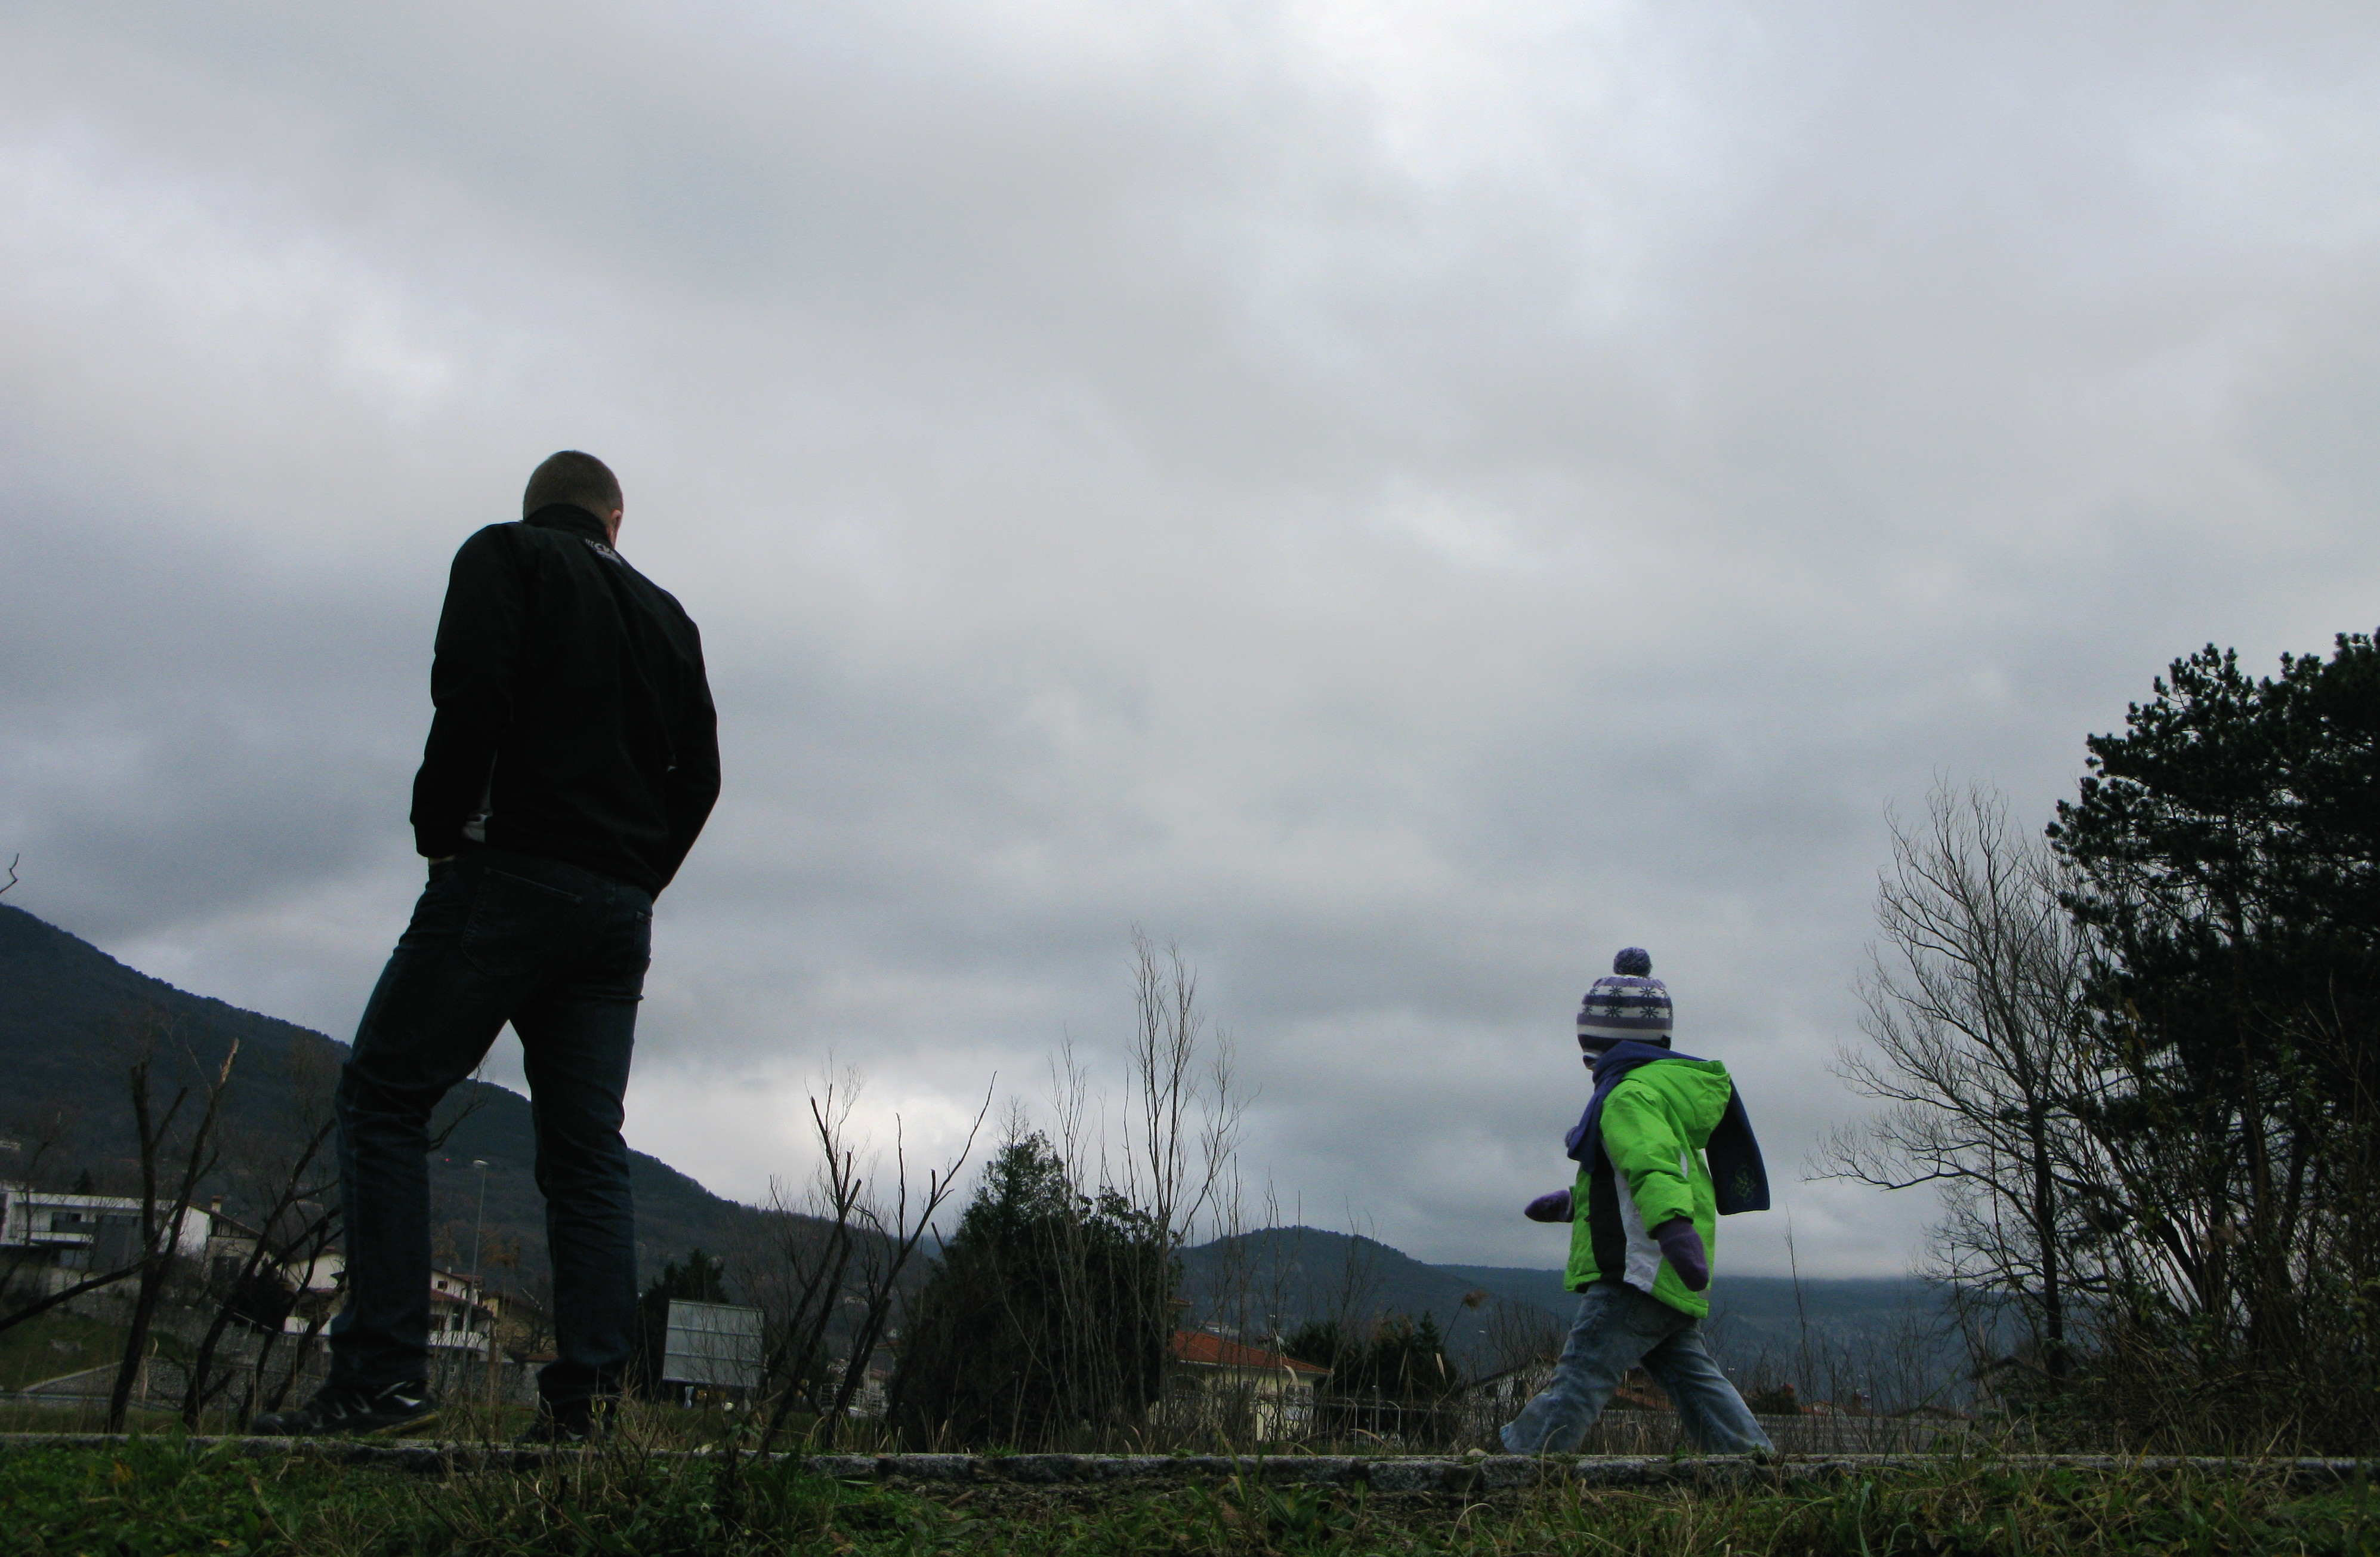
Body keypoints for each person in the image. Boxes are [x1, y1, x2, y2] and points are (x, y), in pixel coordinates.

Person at [257, 451, 720, 1441]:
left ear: (536, 506)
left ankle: (381, 1377)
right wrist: (638, 875)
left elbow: (472, 689)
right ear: (616, 519)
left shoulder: (506, 556)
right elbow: (701, 775)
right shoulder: (668, 617)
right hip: (615, 912)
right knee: (586, 1152)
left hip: (508, 874)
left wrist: (440, 828)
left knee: (384, 1096)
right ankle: (589, 1408)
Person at [1499, 947, 1774, 1457]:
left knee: (1582, 1369)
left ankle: (1524, 1460)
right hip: (1660, 1270)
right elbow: (1633, 1179)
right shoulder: (1657, 1094)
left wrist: (1673, 1230)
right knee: (1690, 1376)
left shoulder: (1626, 1096)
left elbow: (1653, 1169)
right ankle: (1751, 1460)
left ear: (1596, 1043)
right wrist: (1573, 1204)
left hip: (1637, 1269)